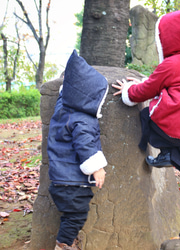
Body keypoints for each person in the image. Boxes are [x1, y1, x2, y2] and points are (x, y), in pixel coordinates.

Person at [112, 1, 180, 240]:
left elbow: (144, 91)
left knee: (147, 116)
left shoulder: (170, 64)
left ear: (167, 39)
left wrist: (128, 89)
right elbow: (171, 84)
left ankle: (167, 153)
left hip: (175, 131)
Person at [47, 50, 108, 250]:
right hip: (71, 181)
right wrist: (97, 168)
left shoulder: (63, 110)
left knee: (72, 215)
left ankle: (68, 240)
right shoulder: (83, 119)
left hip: (61, 179)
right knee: (76, 216)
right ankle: (63, 244)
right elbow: (85, 144)